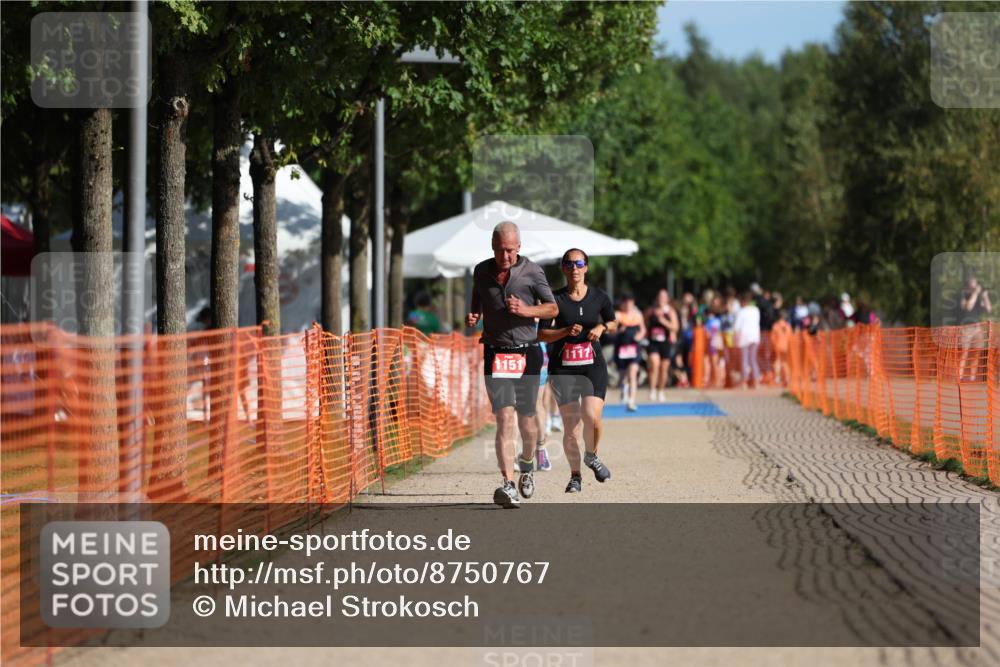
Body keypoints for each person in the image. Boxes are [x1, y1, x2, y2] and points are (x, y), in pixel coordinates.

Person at [466, 221, 558, 508]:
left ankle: (527, 466)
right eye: (499, 250)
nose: (504, 256)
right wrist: (474, 314)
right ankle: (508, 484)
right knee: (505, 418)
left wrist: (527, 310)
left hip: (527, 352)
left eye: (510, 250)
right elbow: (477, 298)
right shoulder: (481, 270)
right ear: (492, 247)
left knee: (527, 421)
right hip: (496, 353)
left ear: (519, 247)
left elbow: (552, 307)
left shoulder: (532, 271)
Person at [538, 249, 616, 493]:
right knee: (571, 426)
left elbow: (613, 321)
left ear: (586, 267)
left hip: (592, 366)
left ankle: (591, 455)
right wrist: (564, 332)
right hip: (564, 369)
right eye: (569, 264)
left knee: (591, 417)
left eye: (579, 263)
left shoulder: (599, 297)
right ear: (563, 268)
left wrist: (602, 327)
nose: (574, 268)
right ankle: (575, 476)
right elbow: (541, 334)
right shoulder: (554, 300)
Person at [644, 289, 679, 401]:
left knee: (664, 369)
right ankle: (652, 389)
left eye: (664, 296)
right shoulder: (651, 311)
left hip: (665, 343)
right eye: (660, 296)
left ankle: (661, 390)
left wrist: (663, 320)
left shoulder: (671, 312)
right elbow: (644, 323)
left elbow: (675, 327)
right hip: (653, 342)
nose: (661, 299)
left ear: (667, 299)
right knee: (654, 364)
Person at [613, 292, 645, 411]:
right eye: (625, 302)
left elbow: (643, 329)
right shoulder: (618, 315)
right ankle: (623, 389)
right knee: (623, 377)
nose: (627, 304)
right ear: (621, 303)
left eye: (630, 302)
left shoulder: (638, 315)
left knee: (633, 373)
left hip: (634, 348)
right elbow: (611, 331)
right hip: (621, 348)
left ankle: (631, 401)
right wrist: (619, 330)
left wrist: (640, 336)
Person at [733, 290, 761, 389]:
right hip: (755, 337)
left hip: (744, 337)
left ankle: (744, 381)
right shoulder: (756, 310)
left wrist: (735, 339)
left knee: (745, 360)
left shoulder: (742, 311)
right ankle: (756, 381)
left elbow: (736, 327)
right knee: (753, 359)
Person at [770, 310, 792, 387]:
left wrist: (773, 346)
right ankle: (787, 378)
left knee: (777, 362)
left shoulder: (775, 326)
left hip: (778, 346)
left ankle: (777, 377)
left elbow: (773, 338)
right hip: (786, 347)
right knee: (785, 362)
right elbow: (790, 338)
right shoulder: (788, 326)